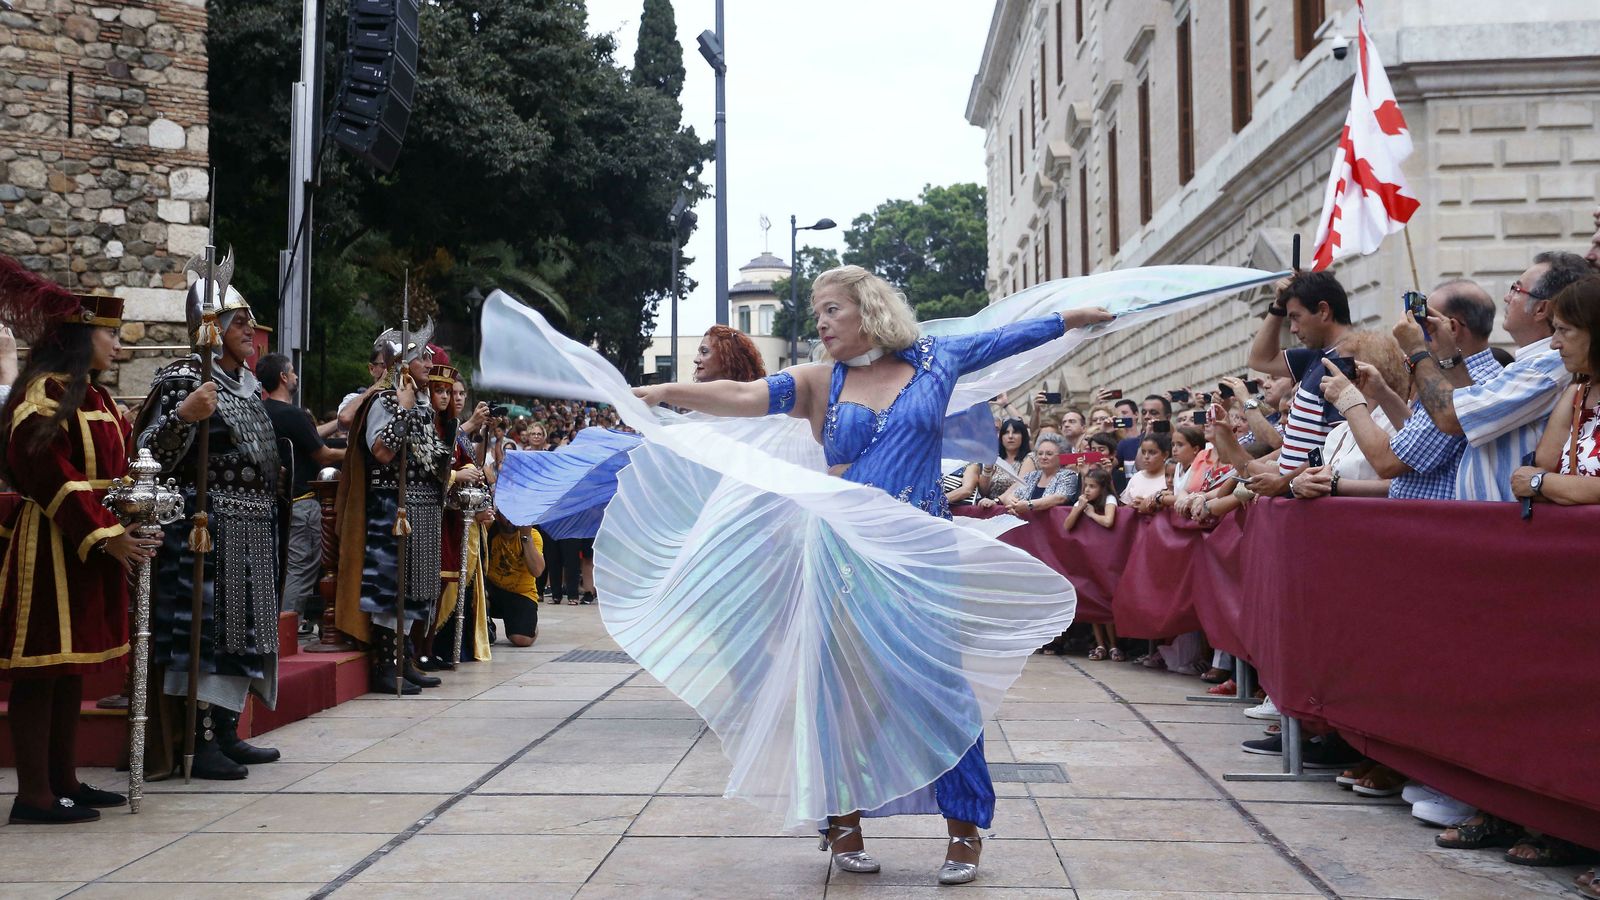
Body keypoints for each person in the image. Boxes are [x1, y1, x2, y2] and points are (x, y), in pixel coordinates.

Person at [631, 264, 1112, 885]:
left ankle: (965, 831)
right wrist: (668, 392)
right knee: (841, 690)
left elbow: (1006, 337)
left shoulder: (936, 359)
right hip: (843, 555)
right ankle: (843, 823)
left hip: (922, 557)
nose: (821, 323)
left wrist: (1070, 320)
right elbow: (747, 397)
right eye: (818, 312)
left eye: (832, 309)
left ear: (869, 309)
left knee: (942, 688)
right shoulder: (818, 380)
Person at [0, 261, 158, 823]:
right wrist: (105, 533)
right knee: (41, 668)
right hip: (50, 543)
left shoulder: (101, 399)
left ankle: (65, 781)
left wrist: (137, 512)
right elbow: (43, 466)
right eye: (109, 334)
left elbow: (117, 470)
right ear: (78, 335)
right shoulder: (44, 393)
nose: (117, 345)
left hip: (91, 545)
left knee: (69, 671)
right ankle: (34, 795)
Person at [138, 275, 283, 778]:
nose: (249, 330)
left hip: (250, 528)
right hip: (207, 529)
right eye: (238, 321)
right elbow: (148, 455)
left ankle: (224, 730)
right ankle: (196, 741)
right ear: (211, 329)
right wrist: (183, 415)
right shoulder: (183, 379)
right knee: (207, 634)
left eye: (249, 321)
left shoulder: (246, 384)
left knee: (241, 634)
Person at [1395, 252, 1587, 502]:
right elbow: (1471, 410)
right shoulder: (1534, 364)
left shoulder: (1547, 368)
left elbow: (1451, 419)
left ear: (1541, 309)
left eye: (1516, 289)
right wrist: (1446, 351)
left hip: (1507, 527)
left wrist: (1417, 351)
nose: (1507, 297)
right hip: (1494, 523)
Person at [334, 324, 455, 695]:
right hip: (393, 507)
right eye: (420, 356)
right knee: (391, 585)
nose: (428, 361)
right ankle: (386, 664)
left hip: (421, 506)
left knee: (414, 587)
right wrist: (401, 410)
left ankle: (404, 659)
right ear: (401, 363)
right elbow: (382, 452)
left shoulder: (422, 403)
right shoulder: (384, 401)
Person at [1324, 281, 1502, 500]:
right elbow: (1416, 434)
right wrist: (1382, 393)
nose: (1412, 328)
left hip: (1433, 527)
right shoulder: (1480, 375)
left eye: (1422, 320)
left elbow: (1387, 462)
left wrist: (1349, 400)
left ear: (1452, 328)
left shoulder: (1468, 383)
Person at [257, 353, 344, 630]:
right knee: (301, 569)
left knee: (284, 568)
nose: (296, 376)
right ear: (283, 377)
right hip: (302, 505)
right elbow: (323, 454)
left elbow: (309, 434)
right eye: (292, 371)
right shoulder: (293, 415)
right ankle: (286, 630)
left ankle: (281, 627)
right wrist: (358, 452)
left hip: (278, 503)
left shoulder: (265, 410)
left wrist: (340, 424)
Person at [1247, 271, 1357, 474]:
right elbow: (1259, 359)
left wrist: (1282, 483)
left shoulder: (1345, 363)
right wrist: (1278, 306)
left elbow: (1340, 447)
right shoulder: (1317, 356)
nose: (1293, 329)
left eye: (1296, 317)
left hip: (1315, 499)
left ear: (1323, 311)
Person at [1513, 275, 1600, 504]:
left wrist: (1541, 483)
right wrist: (1542, 481)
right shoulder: (1577, 394)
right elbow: (1544, 466)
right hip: (1577, 538)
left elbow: (1535, 479)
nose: (1554, 343)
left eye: (1564, 330)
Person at [1064, 469, 1119, 661]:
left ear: (1102, 488)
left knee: (1105, 599)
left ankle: (1114, 645)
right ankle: (1100, 645)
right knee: (1092, 598)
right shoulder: (1082, 501)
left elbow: (1109, 521)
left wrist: (1092, 514)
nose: (1087, 490)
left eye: (1092, 486)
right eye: (1086, 485)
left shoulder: (1110, 499)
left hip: (1106, 556)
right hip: (1087, 557)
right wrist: (1079, 508)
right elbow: (1067, 525)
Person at [483, 512, 546, 647]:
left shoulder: (532, 535)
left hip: (520, 593)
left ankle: (529, 625)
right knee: (476, 593)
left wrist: (526, 536)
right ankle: (486, 624)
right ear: (498, 515)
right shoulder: (488, 529)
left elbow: (537, 571)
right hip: (491, 589)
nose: (512, 519)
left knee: (521, 640)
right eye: (507, 514)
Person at [1001, 433, 1078, 516]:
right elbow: (1011, 496)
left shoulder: (1068, 475)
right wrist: (1012, 504)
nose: (1043, 457)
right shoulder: (1030, 476)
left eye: (1049, 454)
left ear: (1062, 456)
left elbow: (1059, 498)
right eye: (1040, 453)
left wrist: (1029, 505)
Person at [976, 418, 1034, 506]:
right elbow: (983, 492)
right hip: (991, 509)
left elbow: (1020, 484)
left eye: (1015, 432)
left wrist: (996, 501)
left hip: (1017, 509)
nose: (1010, 436)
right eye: (1006, 432)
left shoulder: (1030, 458)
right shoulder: (996, 459)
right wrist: (988, 468)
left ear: (1023, 436)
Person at [694, 324, 767, 382]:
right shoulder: (695, 399)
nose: (696, 360)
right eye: (699, 353)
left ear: (726, 358)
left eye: (704, 352)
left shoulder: (753, 398)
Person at [1121, 432, 1172, 512]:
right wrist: (1132, 505)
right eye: (1143, 452)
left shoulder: (1170, 478)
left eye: (1152, 452)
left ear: (1165, 455)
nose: (1146, 457)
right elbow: (1123, 508)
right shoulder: (1136, 477)